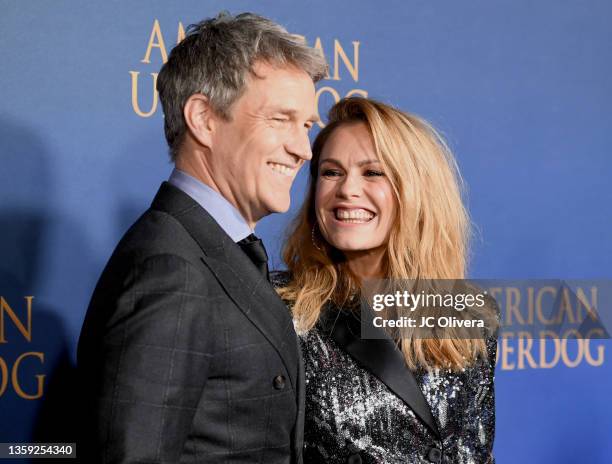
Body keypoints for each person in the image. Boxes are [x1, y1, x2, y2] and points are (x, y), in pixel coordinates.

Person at [77, 12, 326, 463]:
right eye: (281, 119)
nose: (303, 149)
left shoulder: (210, 247)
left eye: (306, 125)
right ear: (204, 119)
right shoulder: (170, 268)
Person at [275, 97, 498, 463]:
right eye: (331, 172)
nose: (346, 190)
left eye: (372, 172)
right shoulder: (283, 307)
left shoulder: (473, 312)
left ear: (417, 191)